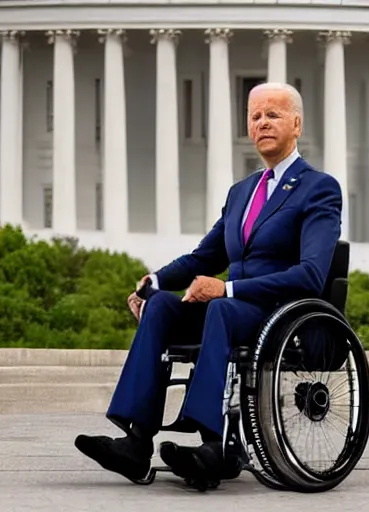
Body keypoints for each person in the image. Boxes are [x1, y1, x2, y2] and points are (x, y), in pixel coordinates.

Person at [74, 81, 343, 485]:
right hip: (233, 313)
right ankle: (136, 442)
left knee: (219, 306)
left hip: (280, 314)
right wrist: (155, 280)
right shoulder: (242, 192)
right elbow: (205, 257)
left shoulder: (318, 188)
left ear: (297, 124)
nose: (262, 123)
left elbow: (311, 274)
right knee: (164, 305)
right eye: (255, 116)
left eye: (273, 114)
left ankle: (212, 446)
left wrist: (228, 289)